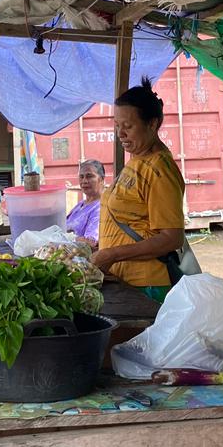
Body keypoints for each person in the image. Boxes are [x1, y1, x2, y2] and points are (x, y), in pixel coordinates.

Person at [92, 78, 185, 302]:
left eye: (128, 126)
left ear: (152, 124)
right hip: (125, 280)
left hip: (148, 284)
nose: (120, 134)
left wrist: (111, 254)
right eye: (117, 125)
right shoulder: (138, 160)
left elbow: (172, 238)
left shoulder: (159, 169)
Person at [66, 159, 106, 246]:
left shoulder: (101, 208)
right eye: (81, 177)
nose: (84, 181)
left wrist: (66, 238)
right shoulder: (80, 205)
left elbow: (90, 242)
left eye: (89, 176)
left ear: (101, 179)